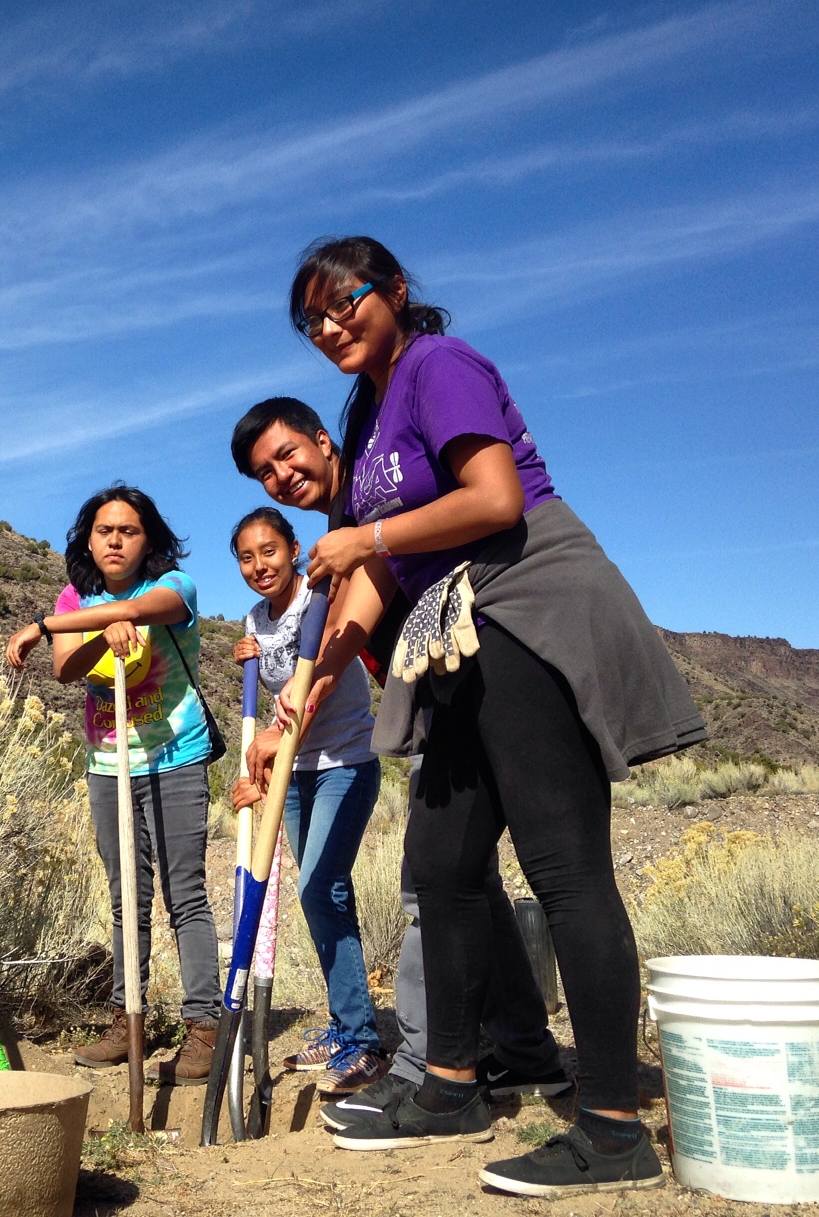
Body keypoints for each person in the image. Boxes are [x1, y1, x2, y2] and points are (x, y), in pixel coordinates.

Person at [242, 235, 706, 1198]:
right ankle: (451, 1084)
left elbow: (491, 500)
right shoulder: (365, 411)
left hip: (520, 604)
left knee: (564, 867)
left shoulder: (438, 365)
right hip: (448, 633)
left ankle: (614, 1127)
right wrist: (314, 678)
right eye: (313, 321)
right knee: (443, 867)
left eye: (345, 304)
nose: (331, 328)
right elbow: (371, 575)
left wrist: (361, 538)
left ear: (395, 292)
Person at [228, 400, 569, 1123]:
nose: (281, 476)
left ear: (325, 441)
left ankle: (425, 1064)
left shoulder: (372, 512)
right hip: (434, 701)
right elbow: (351, 629)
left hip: (478, 681)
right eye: (264, 472)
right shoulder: (344, 528)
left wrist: (305, 687)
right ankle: (526, 1050)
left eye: (288, 456)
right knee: (466, 878)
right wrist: (296, 697)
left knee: (450, 884)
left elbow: (354, 615)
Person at [6, 485, 221, 1085]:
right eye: (105, 531)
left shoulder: (174, 587)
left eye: (129, 530)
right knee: (127, 897)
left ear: (148, 538)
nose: (116, 540)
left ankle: (204, 1025)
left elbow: (155, 612)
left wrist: (48, 624)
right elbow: (67, 666)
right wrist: (102, 629)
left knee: (186, 894)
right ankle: (129, 1023)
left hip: (175, 755)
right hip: (110, 764)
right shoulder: (76, 598)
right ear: (89, 539)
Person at [226, 506, 387, 1097]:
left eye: (269, 550)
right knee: (317, 896)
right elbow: (275, 705)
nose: (259, 564)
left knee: (321, 886)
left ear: (293, 548)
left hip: (345, 761)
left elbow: (314, 677)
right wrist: (263, 773)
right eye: (246, 556)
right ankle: (346, 1026)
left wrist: (278, 737)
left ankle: (364, 1040)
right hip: (295, 771)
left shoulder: (319, 595)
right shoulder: (253, 620)